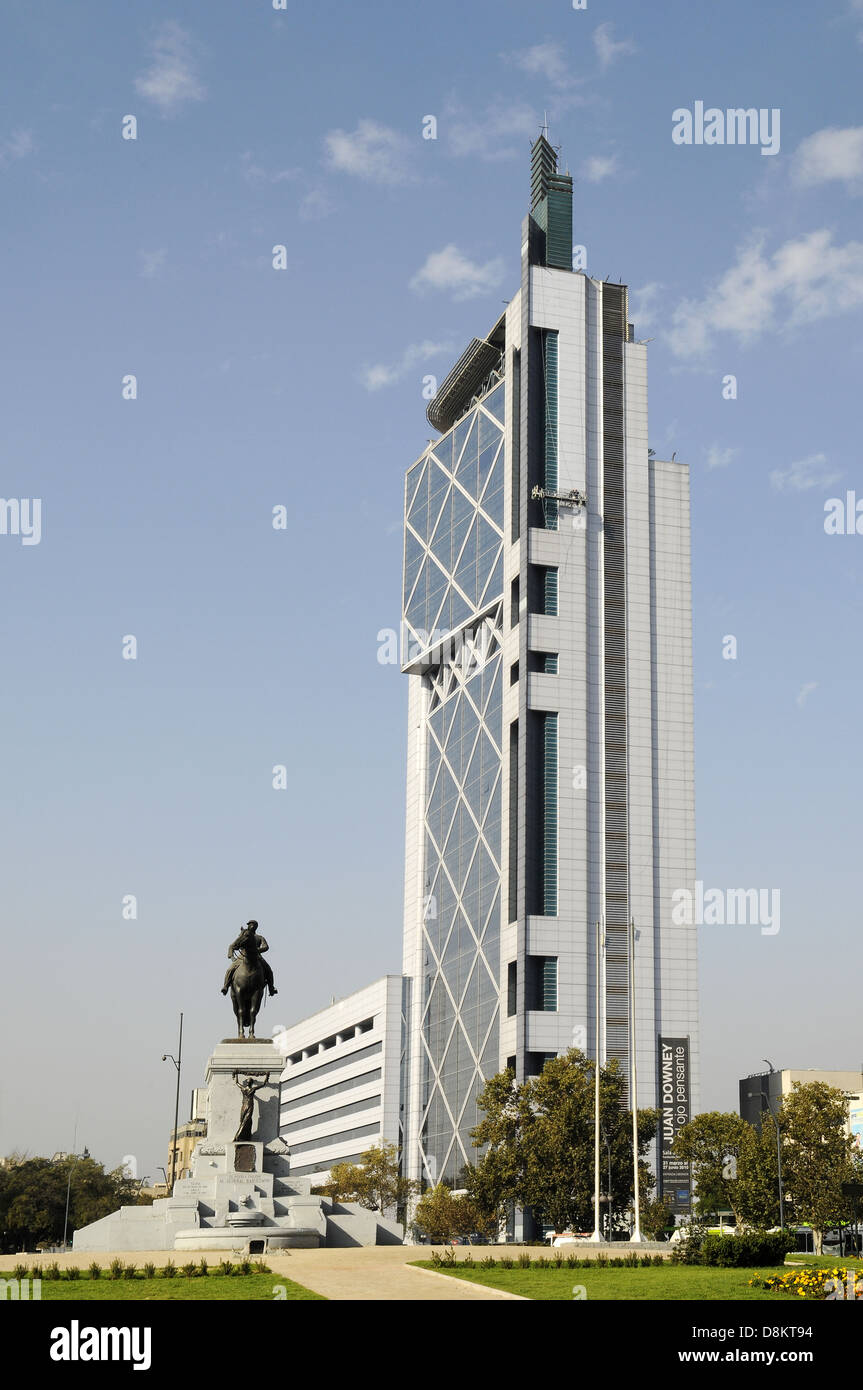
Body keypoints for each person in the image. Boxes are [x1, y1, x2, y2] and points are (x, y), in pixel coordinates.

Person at [221, 920, 277, 996]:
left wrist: (257, 950)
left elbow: (266, 947)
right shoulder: (243, 935)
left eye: (253, 925)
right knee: (230, 969)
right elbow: (232, 945)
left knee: (269, 970)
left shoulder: (259, 937)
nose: (251, 926)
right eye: (250, 925)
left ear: (256, 927)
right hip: (242, 957)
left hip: (257, 956)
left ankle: (271, 988)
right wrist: (232, 956)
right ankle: (226, 986)